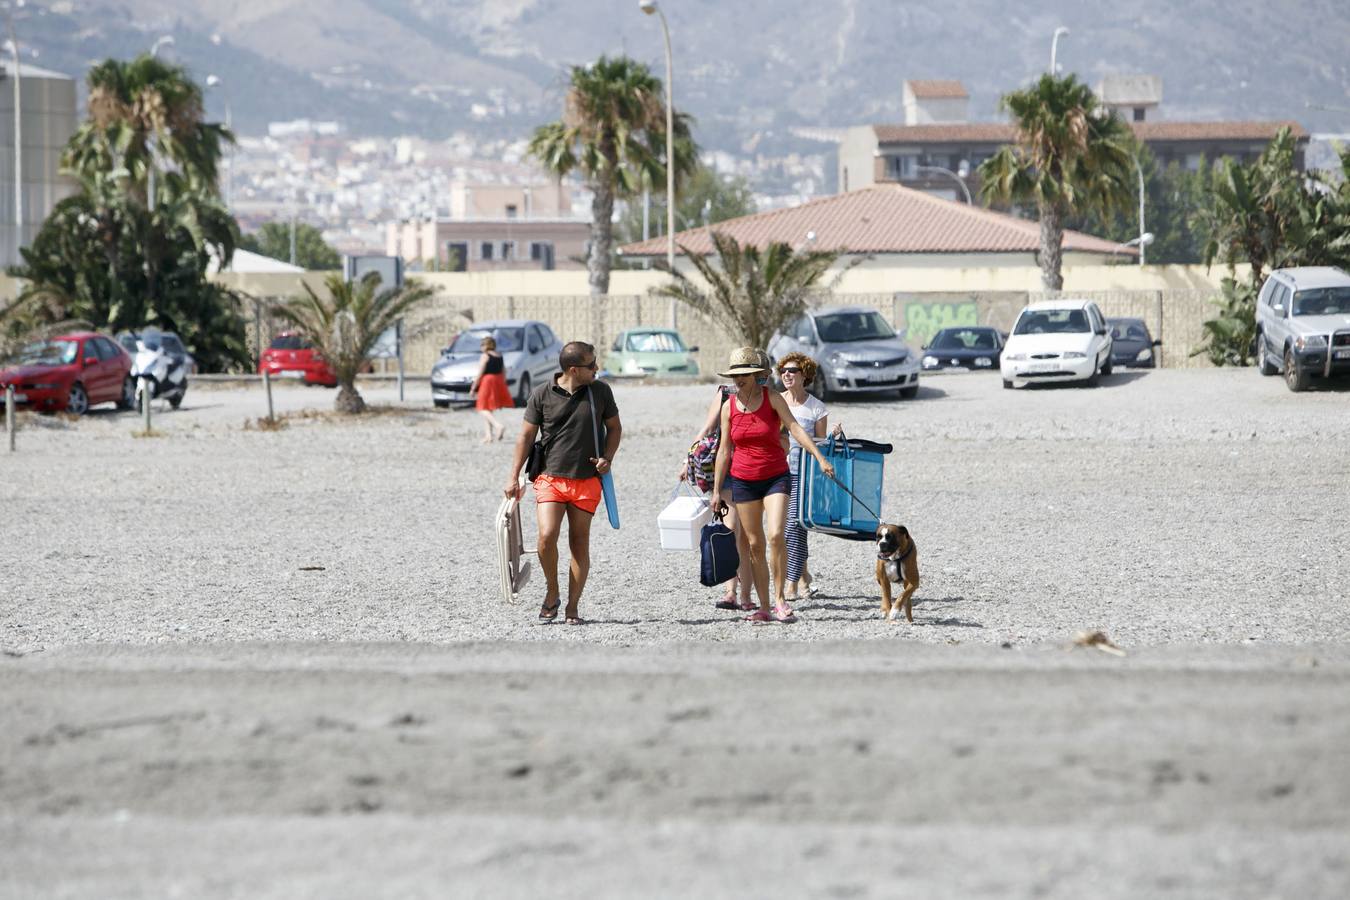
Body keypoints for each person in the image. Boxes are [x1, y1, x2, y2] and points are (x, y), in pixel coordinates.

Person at [711, 347, 835, 624]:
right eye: (735, 375)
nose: (738, 379)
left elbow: (794, 428)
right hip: (743, 480)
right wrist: (718, 491)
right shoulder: (727, 407)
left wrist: (819, 456)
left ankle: (780, 600)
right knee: (754, 544)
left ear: (757, 375)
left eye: (744, 374)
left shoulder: (773, 398)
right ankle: (764, 606)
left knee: (777, 534)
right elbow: (723, 451)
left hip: (776, 476)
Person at [504, 341, 621, 626]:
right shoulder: (541, 394)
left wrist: (608, 457)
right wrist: (513, 476)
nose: (596, 369)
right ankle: (552, 591)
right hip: (550, 477)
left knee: (579, 544)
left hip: (587, 480)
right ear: (573, 369)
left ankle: (572, 607)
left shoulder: (600, 391)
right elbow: (525, 437)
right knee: (546, 536)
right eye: (591, 365)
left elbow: (615, 427)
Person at [777, 352, 832, 603]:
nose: (786, 374)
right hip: (776, 472)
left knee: (794, 526)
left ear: (804, 375)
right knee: (788, 529)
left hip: (804, 474)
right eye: (783, 371)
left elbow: (820, 444)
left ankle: (791, 583)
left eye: (792, 371)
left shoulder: (816, 408)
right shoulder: (776, 402)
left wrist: (832, 440)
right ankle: (803, 575)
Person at [470, 335, 512, 442]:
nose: (481, 347)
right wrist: (502, 383)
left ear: (486, 345)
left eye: (482, 344)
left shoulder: (485, 356)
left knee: (481, 408)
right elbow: (504, 371)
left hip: (487, 381)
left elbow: (480, 372)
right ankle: (489, 436)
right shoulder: (499, 355)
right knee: (489, 408)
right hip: (498, 381)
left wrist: (474, 387)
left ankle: (498, 425)